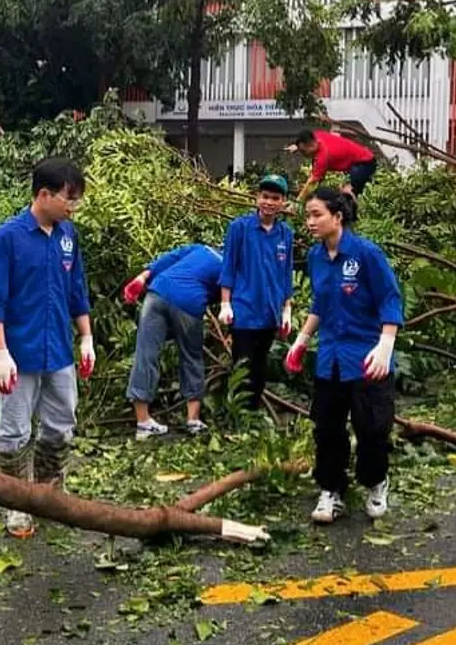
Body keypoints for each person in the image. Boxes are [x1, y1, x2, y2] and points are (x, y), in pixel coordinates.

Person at [0, 157, 95, 539]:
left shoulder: (68, 236)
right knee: (13, 432)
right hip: (20, 353)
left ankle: (47, 494)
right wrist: (0, 353)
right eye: (69, 198)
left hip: (58, 350)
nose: (72, 206)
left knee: (61, 425)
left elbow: (77, 288)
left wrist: (86, 337)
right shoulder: (7, 238)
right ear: (43, 194)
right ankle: (17, 503)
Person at [284, 189, 404, 524]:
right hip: (331, 357)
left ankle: (376, 483)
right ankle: (331, 490)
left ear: (337, 217)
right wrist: (302, 339)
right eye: (307, 215)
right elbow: (321, 302)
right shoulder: (316, 257)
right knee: (327, 428)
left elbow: (390, 299)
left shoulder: (366, 254)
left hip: (368, 357)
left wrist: (385, 345)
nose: (310, 222)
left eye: (317, 214)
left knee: (372, 428)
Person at [121, 243, 222, 438]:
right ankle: (193, 420)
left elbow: (167, 259)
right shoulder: (232, 266)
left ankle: (143, 422)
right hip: (189, 302)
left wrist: (142, 277)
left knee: (146, 353)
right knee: (191, 356)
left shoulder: (200, 249)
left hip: (158, 290)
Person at [218, 174, 295, 410]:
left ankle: (252, 415)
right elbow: (229, 266)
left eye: (275, 198)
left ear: (283, 202)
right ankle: (238, 415)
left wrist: (286, 311)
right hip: (244, 310)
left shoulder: (285, 234)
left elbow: (286, 274)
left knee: (261, 366)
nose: (269, 202)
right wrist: (225, 303)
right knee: (242, 366)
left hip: (270, 311)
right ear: (256, 198)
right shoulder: (239, 228)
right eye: (265, 196)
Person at [286, 128, 378, 203]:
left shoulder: (323, 157)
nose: (303, 154)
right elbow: (306, 140)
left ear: (310, 145)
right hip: (358, 159)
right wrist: (296, 146)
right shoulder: (317, 135)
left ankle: (354, 218)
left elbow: (312, 182)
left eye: (303, 151)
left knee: (348, 193)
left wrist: (297, 202)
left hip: (365, 164)